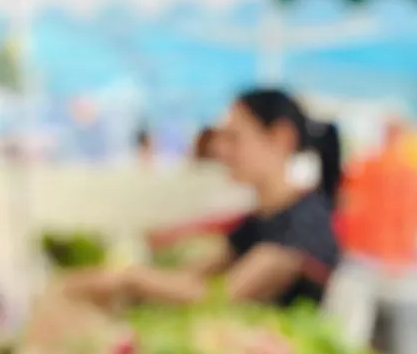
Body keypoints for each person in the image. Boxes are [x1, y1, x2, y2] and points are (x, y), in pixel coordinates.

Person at [68, 87, 342, 309]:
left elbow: (222, 295)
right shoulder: (261, 218)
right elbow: (193, 274)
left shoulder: (305, 222)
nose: (221, 149)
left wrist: (132, 278)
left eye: (234, 138)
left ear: (281, 138)